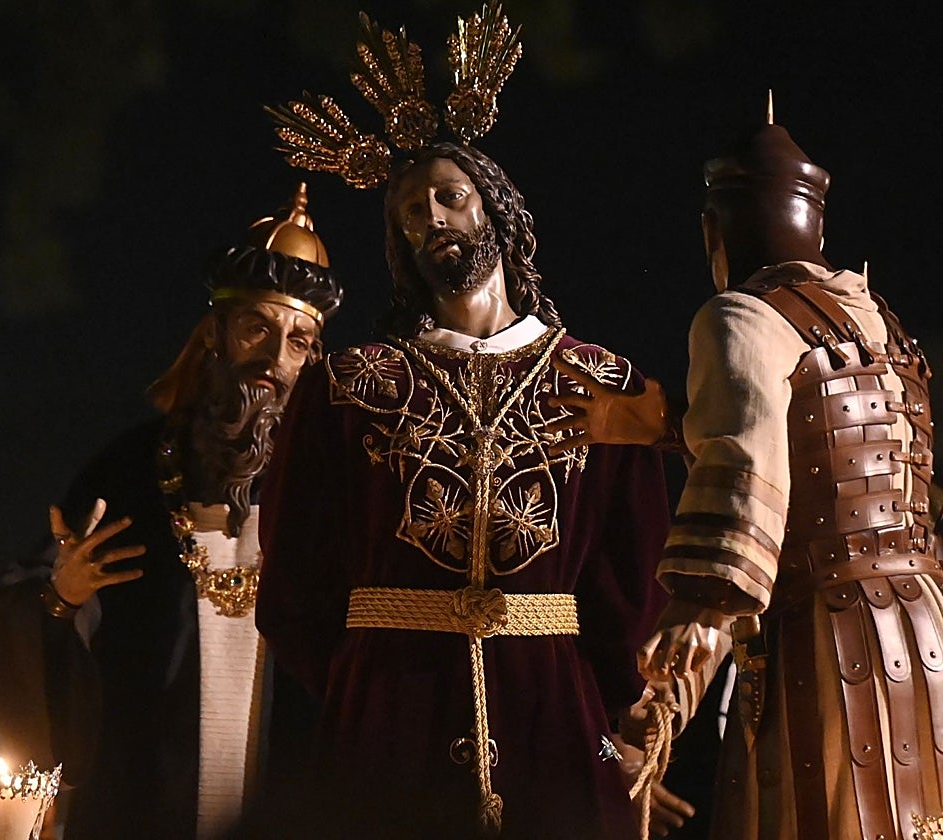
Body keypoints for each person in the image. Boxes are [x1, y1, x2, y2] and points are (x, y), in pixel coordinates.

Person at [256, 131, 673, 835]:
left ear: (496, 210)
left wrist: (595, 698)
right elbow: (295, 571)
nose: (434, 219)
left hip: (553, 721)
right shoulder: (346, 388)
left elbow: (636, 570)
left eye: (451, 197)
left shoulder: (600, 383)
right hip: (385, 721)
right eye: (412, 213)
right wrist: (363, 684)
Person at [0, 184, 343, 839]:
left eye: (298, 341)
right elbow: (11, 621)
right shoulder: (132, 472)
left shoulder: (332, 492)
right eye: (258, 328)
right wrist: (62, 597)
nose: (274, 359)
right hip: (139, 805)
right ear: (216, 334)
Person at [629, 108, 942, 839]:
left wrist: (694, 610)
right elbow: (832, 458)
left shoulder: (740, 316)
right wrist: (673, 425)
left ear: (714, 232)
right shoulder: (884, 329)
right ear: (817, 228)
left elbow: (747, 480)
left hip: (827, 640)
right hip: (926, 634)